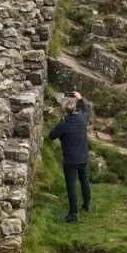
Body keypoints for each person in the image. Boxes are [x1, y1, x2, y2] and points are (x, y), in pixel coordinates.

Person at [46, 92, 92, 223]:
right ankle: (87, 204)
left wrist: (61, 122)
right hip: (83, 158)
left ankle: (73, 213)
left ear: (64, 111)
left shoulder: (64, 124)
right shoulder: (82, 120)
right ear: (75, 109)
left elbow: (51, 136)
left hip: (70, 161)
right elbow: (86, 109)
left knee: (71, 186)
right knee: (84, 180)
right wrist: (80, 97)